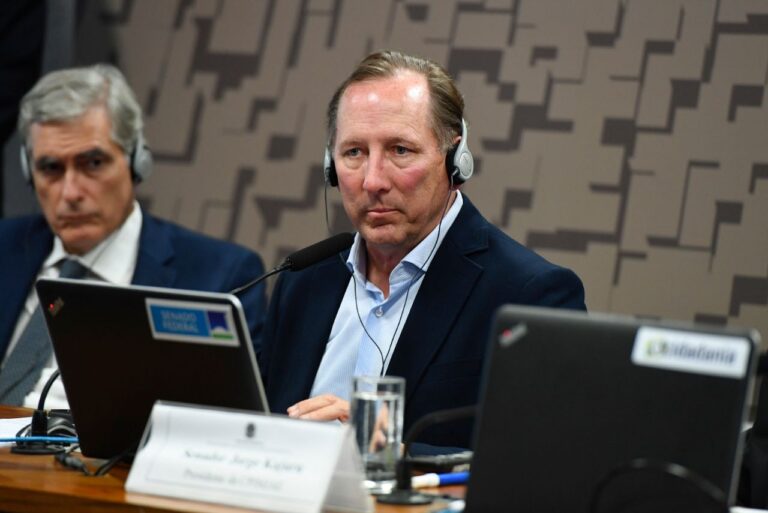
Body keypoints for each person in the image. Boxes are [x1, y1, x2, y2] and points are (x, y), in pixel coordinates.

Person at [259, 50, 586, 449]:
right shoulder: (302, 282)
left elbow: (543, 461)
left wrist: (389, 449)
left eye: (400, 150)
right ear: (331, 166)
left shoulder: (529, 296)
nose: (372, 181)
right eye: (354, 153)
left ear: (456, 161)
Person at [0, 64, 267, 408]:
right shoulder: (4, 249)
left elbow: (229, 423)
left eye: (93, 163)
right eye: (51, 168)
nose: (70, 192)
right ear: (28, 171)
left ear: (137, 162)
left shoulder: (219, 276)